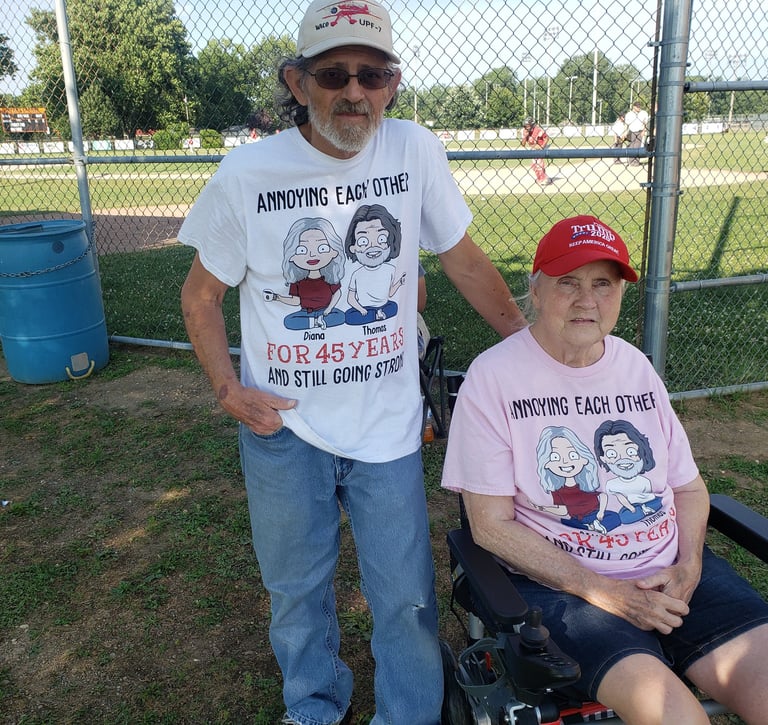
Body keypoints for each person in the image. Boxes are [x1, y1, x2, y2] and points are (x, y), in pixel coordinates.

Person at [178, 1, 527, 723]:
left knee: (406, 594)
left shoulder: (414, 150)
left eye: (372, 73)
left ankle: (408, 713)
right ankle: (312, 703)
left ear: (393, 83)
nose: (354, 91)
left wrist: (526, 346)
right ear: (297, 81)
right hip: (284, 430)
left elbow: (459, 259)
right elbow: (201, 295)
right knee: (296, 590)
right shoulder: (247, 173)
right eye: (333, 73)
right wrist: (226, 388)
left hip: (388, 426)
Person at [442, 215, 768, 725]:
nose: (586, 300)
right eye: (568, 282)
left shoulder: (634, 366)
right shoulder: (494, 378)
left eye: (603, 284)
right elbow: (490, 526)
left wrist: (690, 567)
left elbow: (688, 488)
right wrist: (608, 593)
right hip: (565, 589)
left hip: (673, 576)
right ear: (535, 289)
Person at [521, 117, 552, 186]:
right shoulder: (524, 131)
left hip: (541, 147)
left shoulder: (538, 130)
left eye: (528, 125)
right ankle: (543, 178)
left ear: (532, 125)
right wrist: (525, 136)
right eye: (525, 126)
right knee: (534, 165)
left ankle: (544, 179)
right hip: (533, 149)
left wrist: (542, 147)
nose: (526, 127)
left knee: (539, 164)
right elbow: (523, 144)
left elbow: (546, 138)